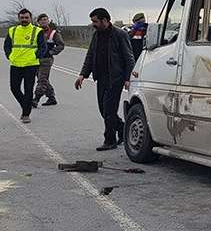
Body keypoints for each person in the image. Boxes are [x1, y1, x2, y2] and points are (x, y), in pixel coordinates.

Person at [75, 8, 135, 151]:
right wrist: (83, 74)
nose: (93, 24)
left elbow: (129, 57)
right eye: (92, 21)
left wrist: (128, 78)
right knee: (104, 110)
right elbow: (90, 56)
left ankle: (110, 140)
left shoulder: (120, 34)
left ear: (105, 20)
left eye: (95, 21)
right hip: (101, 77)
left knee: (109, 110)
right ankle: (122, 129)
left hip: (116, 78)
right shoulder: (97, 35)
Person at [4, 8, 45, 123]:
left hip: (30, 65)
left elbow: (43, 47)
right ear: (19, 18)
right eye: (22, 18)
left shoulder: (37, 31)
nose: (24, 19)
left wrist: (36, 56)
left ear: (31, 18)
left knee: (28, 90)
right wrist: (9, 55)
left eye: (26, 17)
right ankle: (26, 104)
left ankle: (26, 114)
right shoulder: (12, 30)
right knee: (14, 88)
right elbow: (7, 46)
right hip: (16, 64)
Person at [32, 14, 65, 107]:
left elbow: (61, 45)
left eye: (45, 19)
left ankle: (36, 99)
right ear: (38, 22)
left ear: (48, 21)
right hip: (36, 58)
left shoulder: (53, 33)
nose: (44, 21)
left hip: (46, 59)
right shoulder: (34, 32)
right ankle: (51, 97)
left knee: (42, 79)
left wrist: (52, 52)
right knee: (42, 78)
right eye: (41, 20)